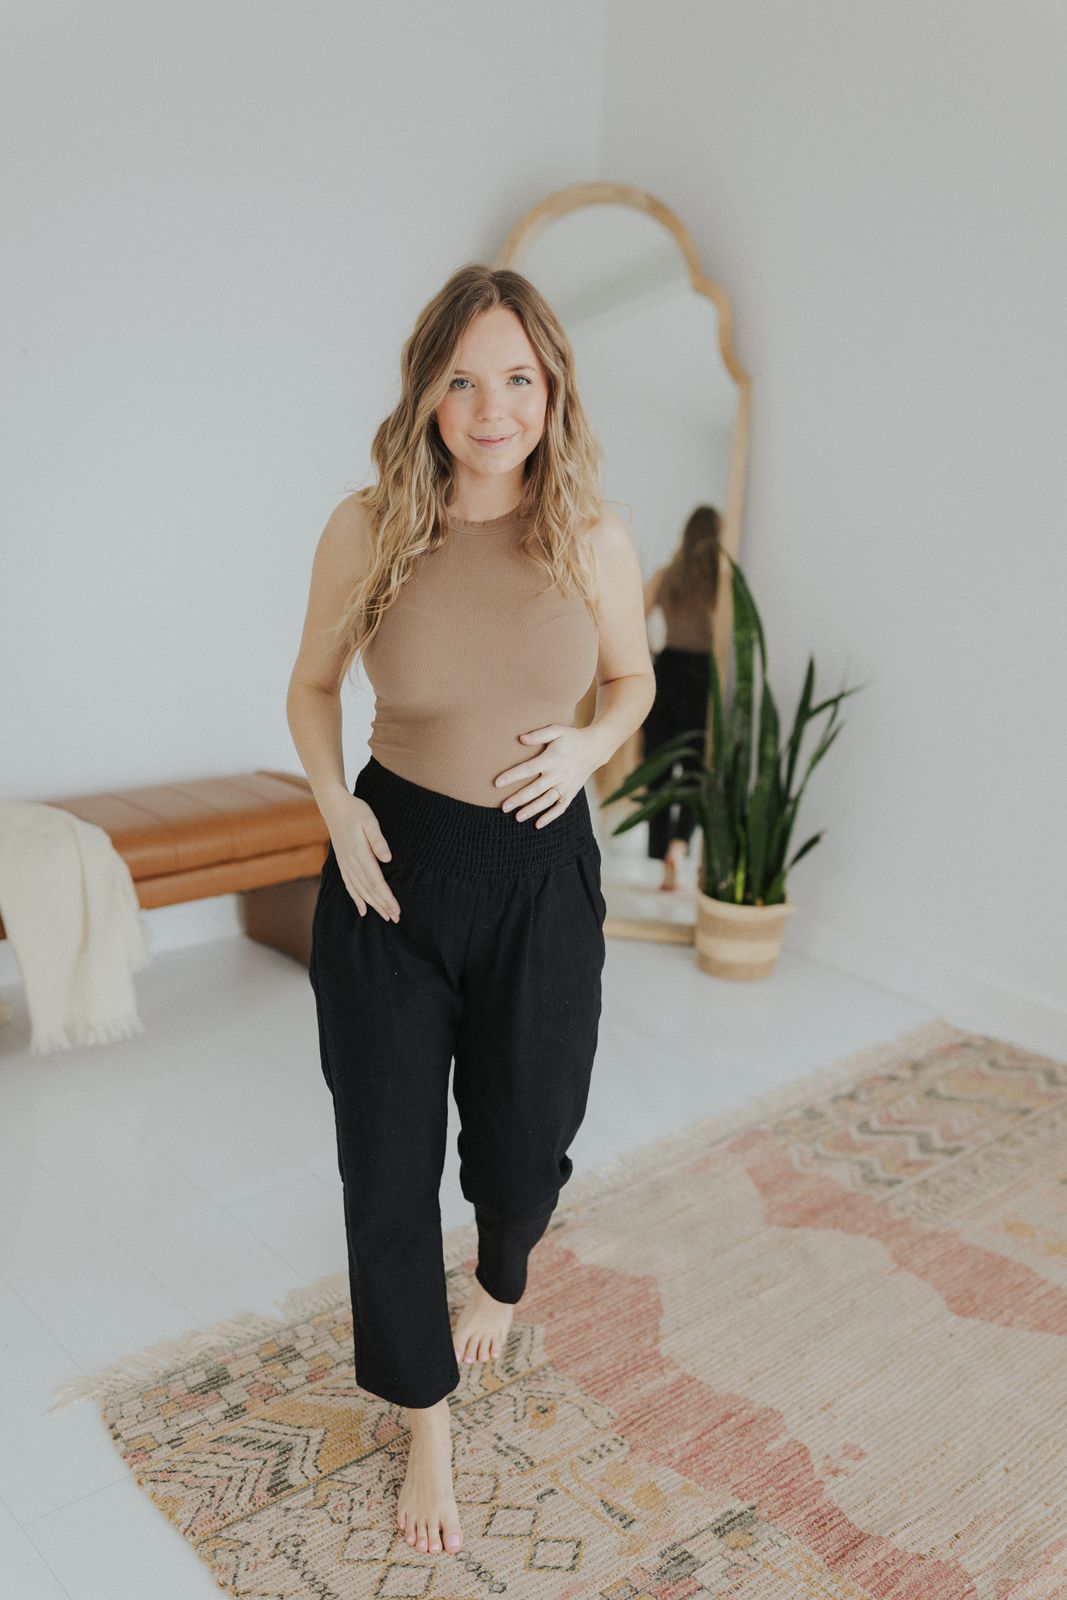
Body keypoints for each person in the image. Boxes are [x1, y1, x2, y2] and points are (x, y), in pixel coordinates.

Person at [285, 264, 655, 1561]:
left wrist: (590, 743)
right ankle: (425, 1411)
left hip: (541, 882)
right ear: (426, 391)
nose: (489, 406)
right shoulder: (368, 524)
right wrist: (332, 807)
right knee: (384, 1168)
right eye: (461, 378)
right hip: (389, 873)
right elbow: (312, 687)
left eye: (515, 377)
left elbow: (630, 677)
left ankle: (501, 1269)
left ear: (549, 387)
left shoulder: (591, 534)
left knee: (527, 1136)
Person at [640, 505, 721, 890]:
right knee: (694, 767)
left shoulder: (667, 576)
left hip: (666, 669)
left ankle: (660, 859)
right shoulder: (717, 584)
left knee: (657, 765)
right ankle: (679, 844)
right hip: (701, 676)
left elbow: (632, 616)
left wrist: (650, 654)